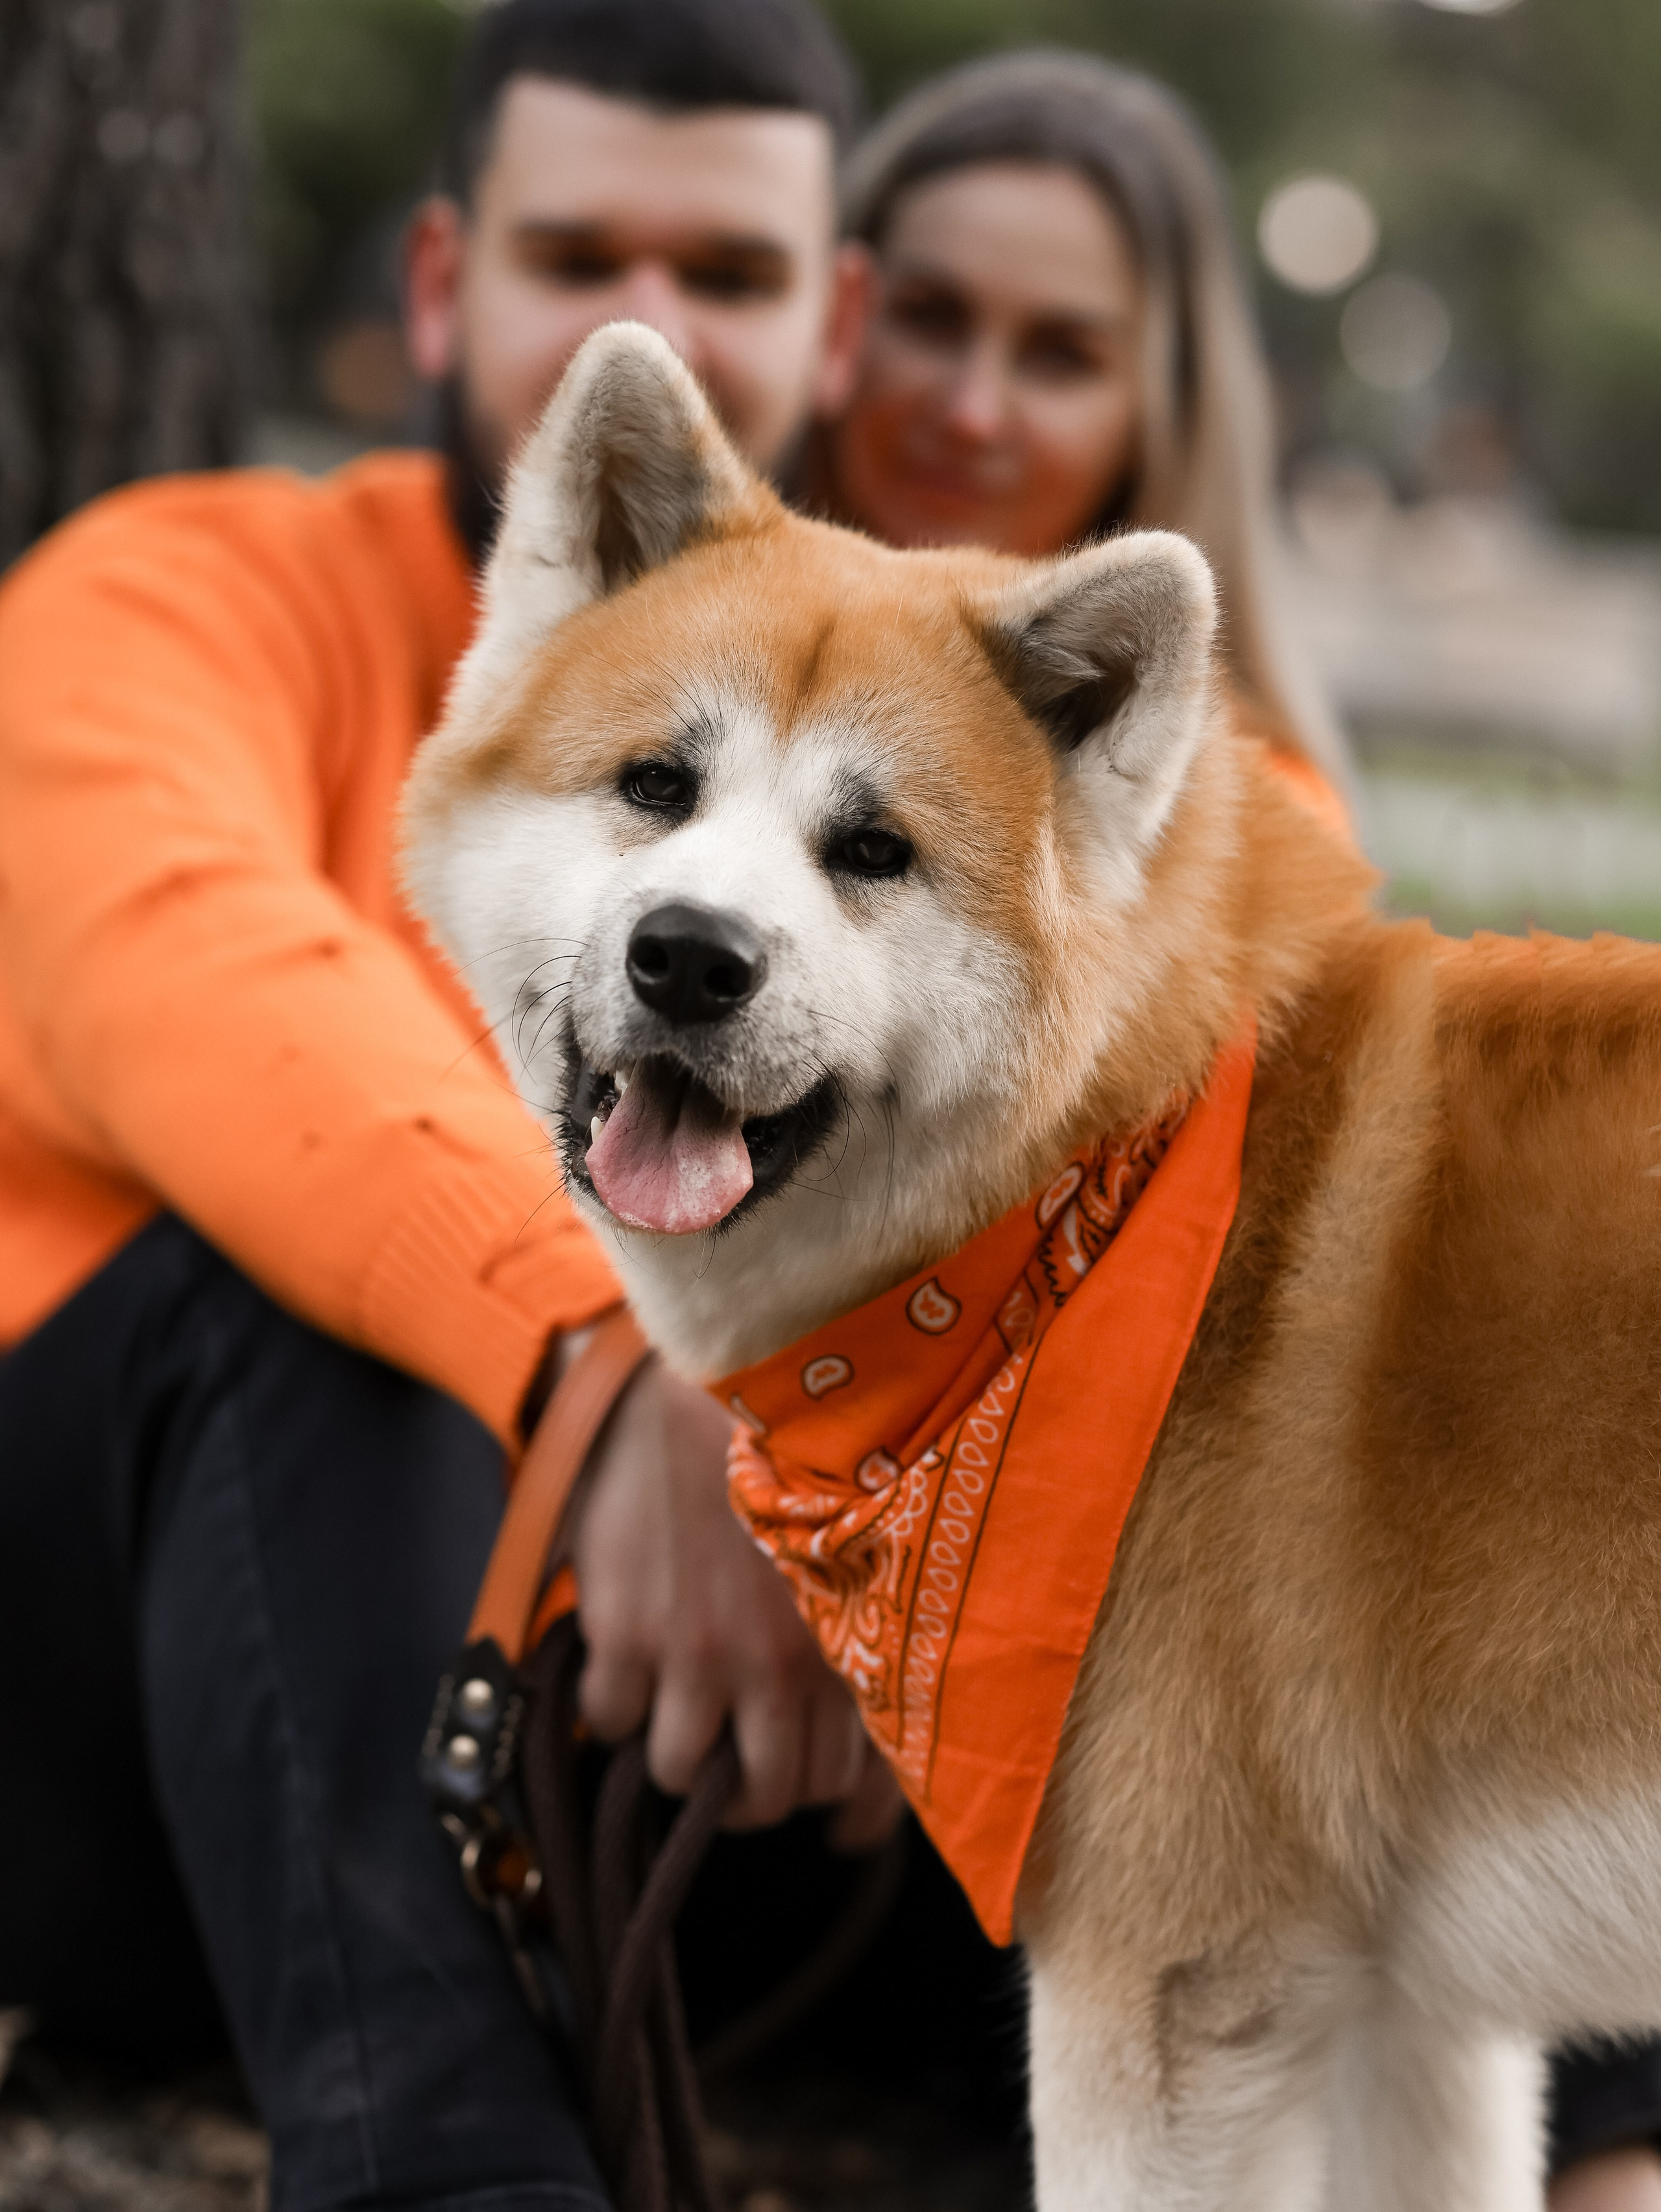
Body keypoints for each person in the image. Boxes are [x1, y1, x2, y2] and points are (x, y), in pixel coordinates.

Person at [0, 7, 915, 2210]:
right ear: (439, 282)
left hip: (674, 1762)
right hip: (112, 1708)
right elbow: (174, 962)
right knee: (296, 1266)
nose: (643, 333)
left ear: (837, 323)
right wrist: (599, 1350)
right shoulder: (179, 587)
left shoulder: (912, 689)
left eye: (728, 273)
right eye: (574, 255)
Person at [811, 49, 1661, 2210]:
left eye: (1060, 349)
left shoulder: (1239, 846)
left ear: (1165, 393)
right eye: (933, 317)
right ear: (838, 313)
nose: (976, 401)